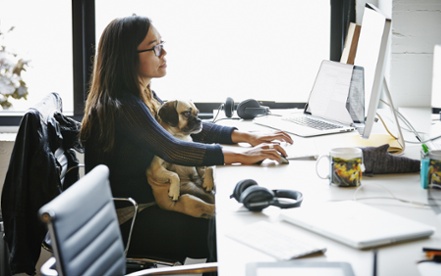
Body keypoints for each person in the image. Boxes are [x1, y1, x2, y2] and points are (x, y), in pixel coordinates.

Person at [79, 14, 293, 266]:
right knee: (225, 229)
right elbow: (172, 149)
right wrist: (244, 155)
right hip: (132, 219)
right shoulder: (122, 105)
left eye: (162, 43)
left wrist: (247, 136)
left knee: (229, 216)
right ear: (128, 57)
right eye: (155, 47)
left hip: (149, 207)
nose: (164, 52)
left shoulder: (143, 94)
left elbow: (191, 128)